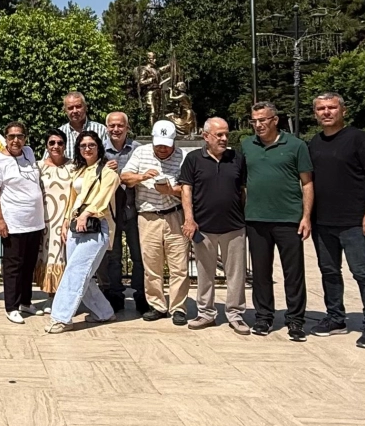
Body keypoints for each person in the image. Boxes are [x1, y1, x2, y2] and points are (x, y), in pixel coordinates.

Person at [308, 92, 365, 348]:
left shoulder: (358, 139)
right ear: (315, 113)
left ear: (343, 111)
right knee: (329, 271)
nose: (326, 112)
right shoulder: (314, 142)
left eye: (332, 107)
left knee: (363, 273)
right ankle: (335, 318)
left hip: (354, 221)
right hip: (322, 221)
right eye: (321, 108)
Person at [243, 101, 313, 340]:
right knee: (261, 273)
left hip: (288, 219)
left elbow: (307, 183)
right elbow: (242, 182)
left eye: (262, 120)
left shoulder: (296, 145)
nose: (258, 125)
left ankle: (296, 320)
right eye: (254, 121)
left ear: (275, 120)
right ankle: (263, 317)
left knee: (293, 273)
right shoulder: (247, 145)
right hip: (256, 219)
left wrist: (306, 217)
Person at [178, 117, 250, 334]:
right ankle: (206, 313)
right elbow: (186, 190)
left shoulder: (237, 158)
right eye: (219, 135)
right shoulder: (193, 159)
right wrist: (189, 219)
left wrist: (243, 215)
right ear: (206, 136)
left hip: (234, 226)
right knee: (204, 273)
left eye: (226, 134)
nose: (224, 138)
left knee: (236, 274)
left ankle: (235, 314)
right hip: (204, 227)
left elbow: (243, 190)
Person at [43, 130, 119, 333]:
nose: (87, 149)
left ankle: (61, 318)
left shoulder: (108, 173)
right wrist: (67, 220)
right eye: (83, 145)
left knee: (76, 272)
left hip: (96, 226)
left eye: (91, 145)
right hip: (76, 226)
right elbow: (72, 198)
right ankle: (104, 312)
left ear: (98, 147)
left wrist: (86, 214)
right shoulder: (79, 171)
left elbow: (103, 199)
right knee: (80, 272)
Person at [122, 119, 189, 324]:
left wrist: (170, 190)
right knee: (152, 265)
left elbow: (189, 188)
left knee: (179, 266)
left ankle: (178, 308)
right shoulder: (141, 152)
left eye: (166, 145)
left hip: (174, 215)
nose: (162, 149)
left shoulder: (183, 156)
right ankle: (157, 305)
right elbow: (125, 177)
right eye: (158, 144)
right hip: (148, 216)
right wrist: (142, 177)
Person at [0, 120, 46, 324]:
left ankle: (25, 301)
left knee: (29, 265)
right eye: (12, 136)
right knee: (13, 267)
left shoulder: (28, 152)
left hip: (34, 222)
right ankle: (11, 306)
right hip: (14, 223)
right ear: (6, 138)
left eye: (20, 136)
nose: (16, 140)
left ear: (25, 138)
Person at [97, 111, 146, 312]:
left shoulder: (138, 149)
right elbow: (91, 176)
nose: (116, 129)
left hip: (134, 210)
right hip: (111, 212)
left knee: (139, 255)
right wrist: (104, 170)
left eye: (120, 125)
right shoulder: (100, 150)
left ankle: (141, 294)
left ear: (127, 127)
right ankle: (116, 294)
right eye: (112, 125)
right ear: (106, 127)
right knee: (113, 257)